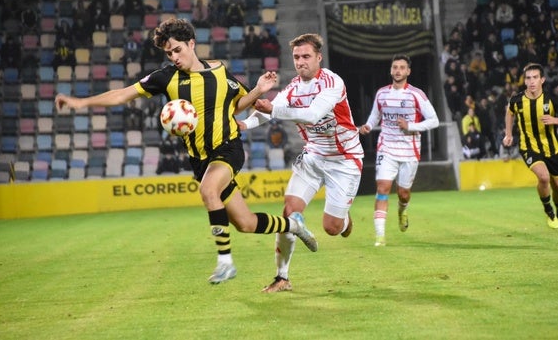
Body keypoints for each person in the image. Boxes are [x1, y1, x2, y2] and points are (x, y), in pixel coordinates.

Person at [55, 18, 317, 284]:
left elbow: (237, 106)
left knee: (208, 191)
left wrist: (259, 90)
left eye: (177, 50)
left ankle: (225, 262)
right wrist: (80, 103)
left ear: (191, 43)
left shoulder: (219, 71)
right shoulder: (166, 77)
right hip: (201, 161)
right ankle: (294, 226)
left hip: (228, 148)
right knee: (246, 223)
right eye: (169, 53)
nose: (174, 57)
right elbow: (122, 94)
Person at [239, 33, 363, 293]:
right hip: (314, 157)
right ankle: (282, 278)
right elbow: (269, 109)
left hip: (345, 160)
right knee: (288, 212)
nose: (300, 62)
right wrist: (245, 124)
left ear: (319, 57)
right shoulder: (294, 87)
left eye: (306, 56)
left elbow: (312, 115)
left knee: (332, 228)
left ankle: (344, 220)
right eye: (296, 57)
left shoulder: (332, 82)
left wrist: (273, 110)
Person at [359, 54, 439, 247]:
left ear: (408, 72)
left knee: (403, 193)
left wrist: (410, 126)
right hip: (386, 148)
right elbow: (374, 117)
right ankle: (380, 236)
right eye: (395, 67)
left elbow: (434, 120)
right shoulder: (381, 94)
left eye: (402, 68)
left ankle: (402, 209)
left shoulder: (416, 94)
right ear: (391, 70)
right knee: (383, 188)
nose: (398, 71)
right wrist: (368, 127)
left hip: (409, 151)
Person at [503, 63, 558, 229]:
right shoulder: (517, 100)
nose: (531, 81)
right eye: (528, 78)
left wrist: (555, 120)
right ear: (524, 81)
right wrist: (509, 134)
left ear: (542, 79)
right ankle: (549, 210)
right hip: (529, 147)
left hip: (552, 148)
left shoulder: (551, 99)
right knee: (543, 177)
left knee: (556, 186)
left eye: (535, 77)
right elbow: (509, 112)